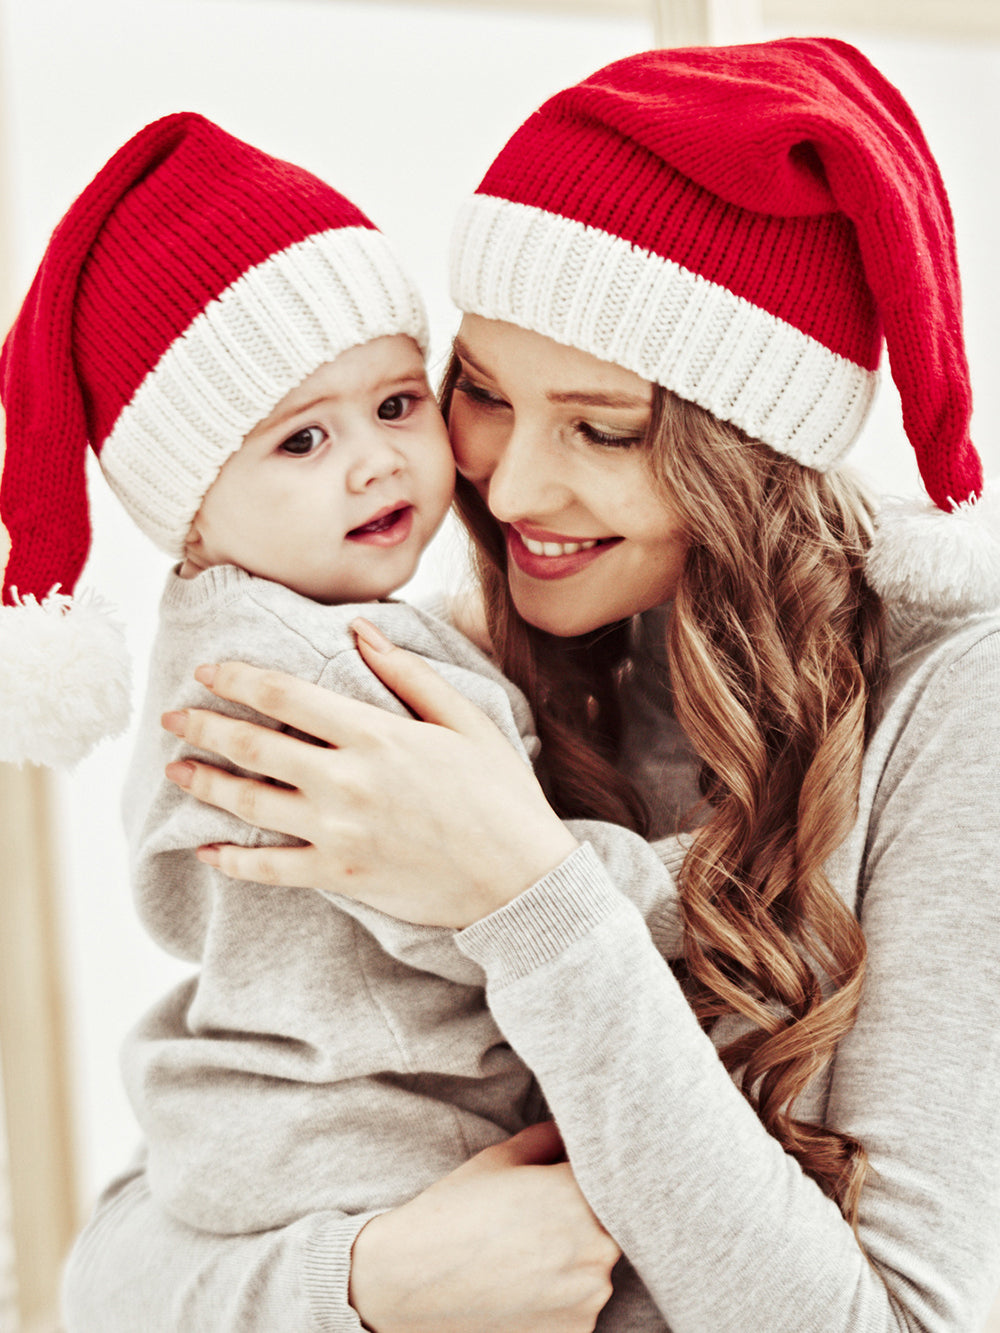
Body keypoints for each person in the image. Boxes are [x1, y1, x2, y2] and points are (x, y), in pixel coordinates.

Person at [61, 35, 1000, 1333]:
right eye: (482, 395)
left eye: (602, 428)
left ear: (751, 451)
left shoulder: (954, 709)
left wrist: (532, 895)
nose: (505, 490)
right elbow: (113, 1270)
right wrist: (366, 1283)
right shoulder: (447, 669)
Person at [0, 112, 684, 1327]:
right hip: (363, 1132)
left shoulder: (276, 621)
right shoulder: (300, 671)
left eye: (396, 404)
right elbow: (467, 891)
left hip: (287, 1123)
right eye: (304, 439)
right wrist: (694, 888)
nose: (375, 463)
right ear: (192, 513)